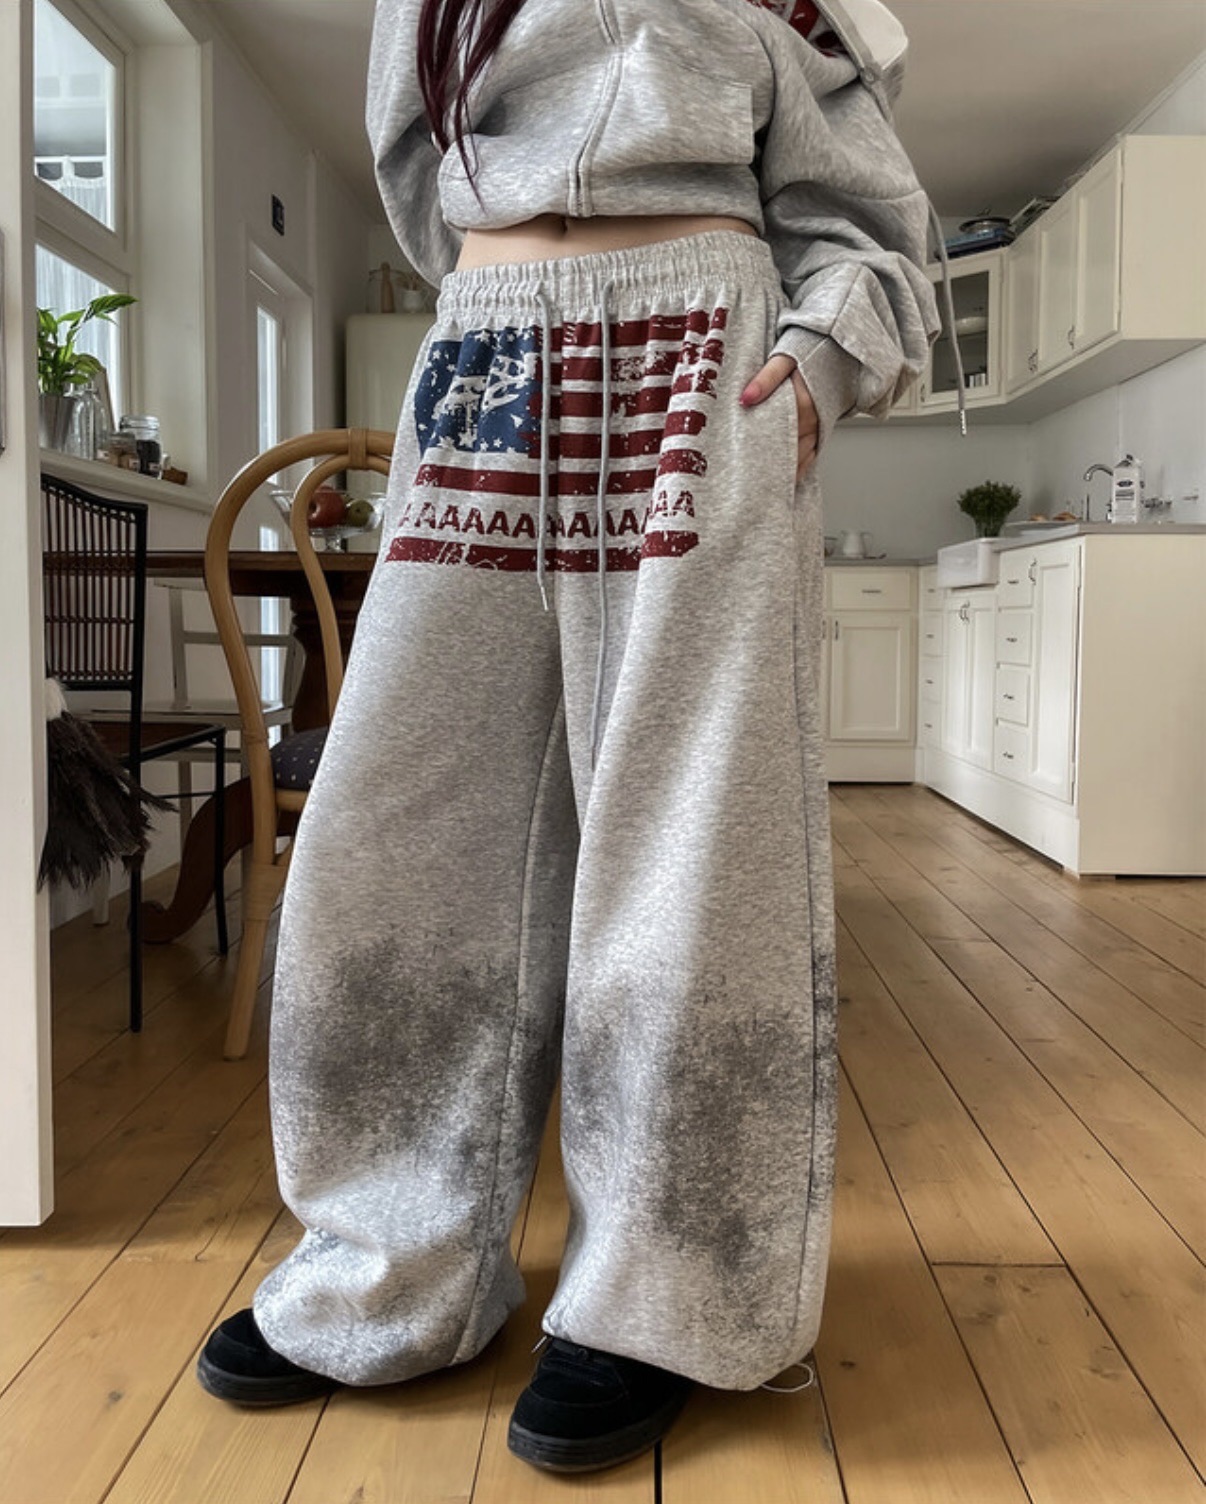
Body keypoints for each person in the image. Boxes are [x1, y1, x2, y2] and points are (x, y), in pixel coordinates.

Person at [196, 0, 944, 1474]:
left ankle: (666, 1296)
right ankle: (390, 1259)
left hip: (705, 359)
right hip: (485, 356)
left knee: (694, 841)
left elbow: (865, 208)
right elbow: (424, 176)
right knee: (399, 830)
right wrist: (507, 297)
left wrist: (823, 356)